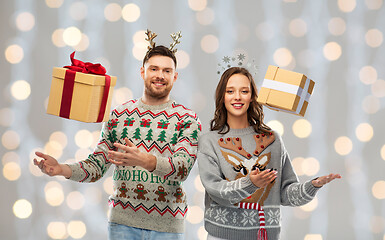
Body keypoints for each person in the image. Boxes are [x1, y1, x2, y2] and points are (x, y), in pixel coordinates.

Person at [34, 33, 201, 240]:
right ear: (142, 72)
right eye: (154, 69)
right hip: (122, 225)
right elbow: (96, 166)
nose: (160, 75)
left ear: (175, 76)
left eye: (167, 71)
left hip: (167, 227)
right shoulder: (119, 115)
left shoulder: (187, 119)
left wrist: (145, 160)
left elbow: (182, 168)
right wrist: (61, 169)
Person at [197, 66, 341, 240]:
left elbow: (286, 194)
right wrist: (251, 183)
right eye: (230, 91)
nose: (237, 97)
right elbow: (216, 191)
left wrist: (312, 186)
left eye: (244, 91)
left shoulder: (272, 140)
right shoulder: (209, 141)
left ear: (252, 97)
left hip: (264, 235)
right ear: (222, 97)